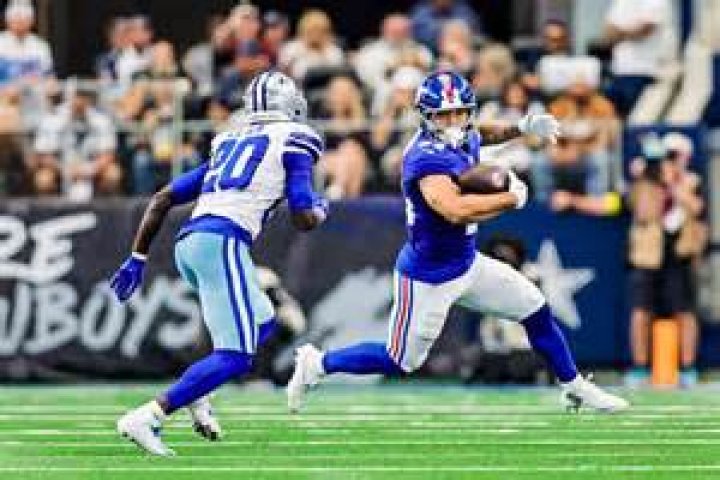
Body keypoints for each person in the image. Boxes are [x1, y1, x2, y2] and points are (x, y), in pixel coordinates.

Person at [286, 71, 629, 414]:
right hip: (428, 277)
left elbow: (483, 133)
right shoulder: (426, 157)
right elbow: (454, 210)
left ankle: (574, 387)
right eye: (443, 115)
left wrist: (522, 127)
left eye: (459, 113)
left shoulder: (462, 134)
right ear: (426, 117)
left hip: (467, 264)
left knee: (535, 308)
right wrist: (511, 199)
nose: (453, 121)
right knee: (401, 359)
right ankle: (317, 364)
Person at [110, 71, 328, 456]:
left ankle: (198, 393)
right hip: (222, 243)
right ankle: (148, 416)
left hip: (192, 244)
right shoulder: (296, 139)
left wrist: (136, 258)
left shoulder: (229, 141)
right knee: (237, 356)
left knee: (263, 321)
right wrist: (321, 209)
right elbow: (302, 216)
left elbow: (162, 198)